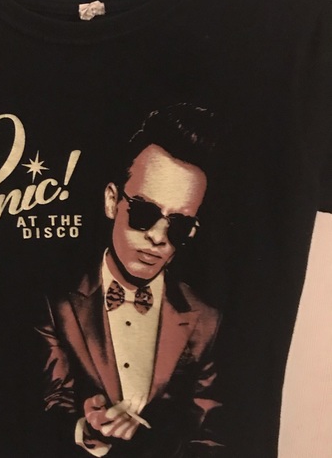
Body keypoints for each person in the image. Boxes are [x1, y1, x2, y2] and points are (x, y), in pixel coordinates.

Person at [35, 104, 224, 457]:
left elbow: (210, 435)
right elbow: (46, 403)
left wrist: (149, 441)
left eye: (178, 225)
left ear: (192, 232)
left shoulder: (205, 320)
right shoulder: (58, 302)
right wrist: (84, 428)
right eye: (144, 212)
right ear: (112, 201)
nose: (158, 236)